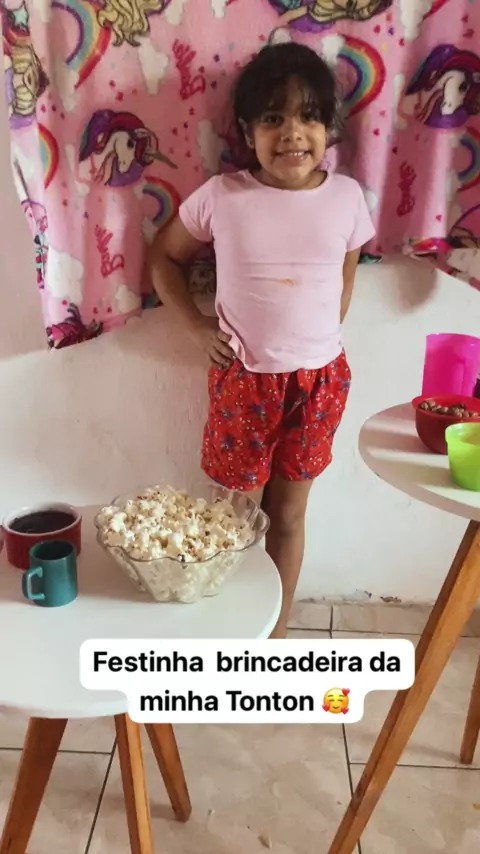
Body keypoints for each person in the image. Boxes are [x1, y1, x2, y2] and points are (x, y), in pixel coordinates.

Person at [149, 42, 375, 638]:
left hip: (321, 381)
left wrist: (314, 343)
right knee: (237, 517)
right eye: (273, 118)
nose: (292, 133)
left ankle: (273, 636)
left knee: (290, 515)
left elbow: (345, 277)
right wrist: (197, 327)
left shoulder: (347, 199)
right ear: (248, 132)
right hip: (245, 381)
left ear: (328, 130)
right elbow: (164, 259)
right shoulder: (222, 196)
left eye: (308, 117)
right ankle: (234, 632)